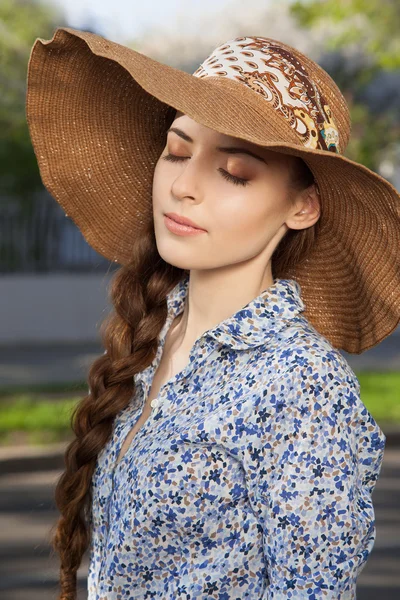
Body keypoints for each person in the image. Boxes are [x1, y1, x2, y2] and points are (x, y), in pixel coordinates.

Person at [25, 28, 399, 600]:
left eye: (235, 172)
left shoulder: (300, 385)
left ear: (301, 206)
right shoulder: (155, 337)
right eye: (176, 152)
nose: (184, 186)